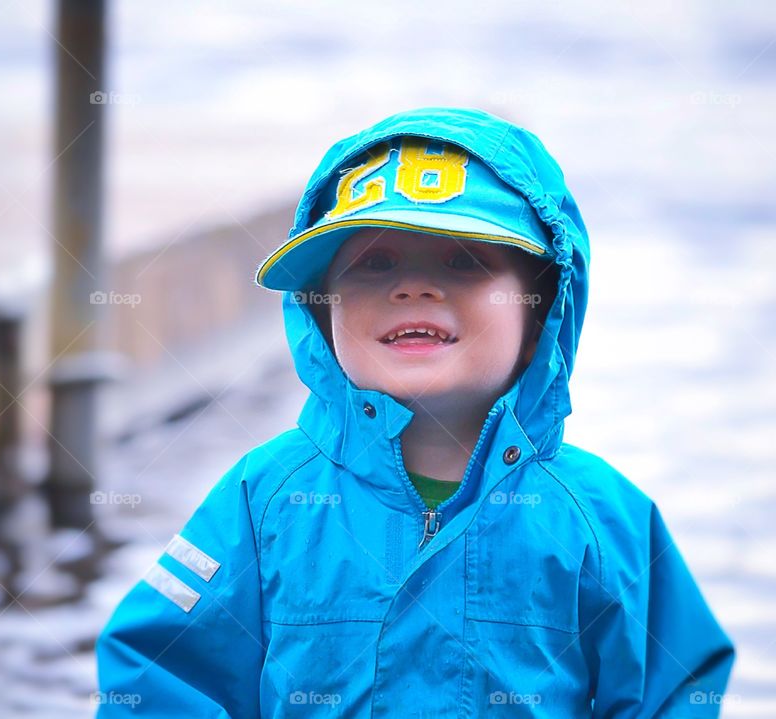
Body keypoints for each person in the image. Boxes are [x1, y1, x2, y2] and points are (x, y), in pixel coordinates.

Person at [94, 107, 736, 717]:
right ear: (323, 312)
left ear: (541, 311)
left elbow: (677, 689)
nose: (413, 288)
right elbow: (157, 675)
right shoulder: (263, 500)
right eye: (375, 263)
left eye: (464, 259)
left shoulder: (601, 518)